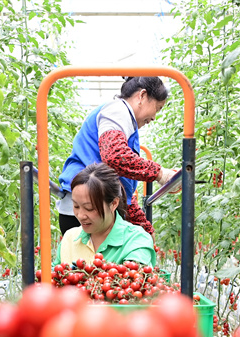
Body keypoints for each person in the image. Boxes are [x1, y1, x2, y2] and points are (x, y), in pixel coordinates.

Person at [57, 76, 177, 236]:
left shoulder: (123, 122)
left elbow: (118, 181)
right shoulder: (118, 110)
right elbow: (115, 156)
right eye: (158, 107)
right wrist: (160, 174)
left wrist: (142, 225)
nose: (154, 117)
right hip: (88, 208)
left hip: (94, 207)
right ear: (142, 96)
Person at [55, 163, 156, 267]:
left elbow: (134, 279)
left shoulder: (136, 240)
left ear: (113, 204)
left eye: (89, 208)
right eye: (76, 206)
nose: (80, 215)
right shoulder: (69, 238)